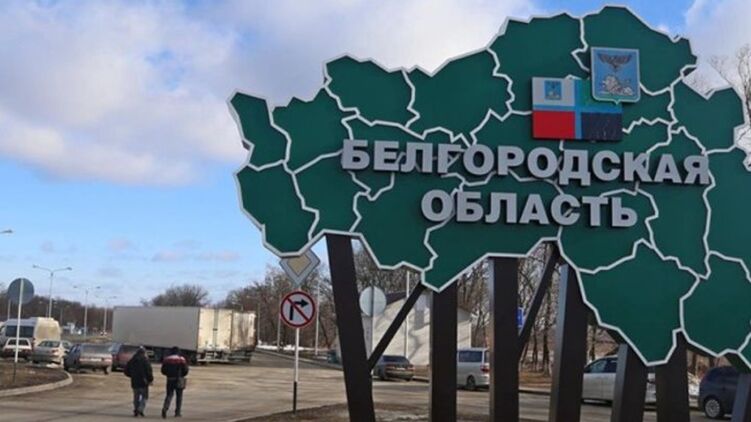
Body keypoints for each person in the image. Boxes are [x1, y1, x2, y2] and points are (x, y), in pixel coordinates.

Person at [124, 346, 153, 417]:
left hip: (134, 381)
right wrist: (150, 379)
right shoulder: (145, 360)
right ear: (144, 353)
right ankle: (140, 409)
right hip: (143, 382)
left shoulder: (132, 360)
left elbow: (126, 371)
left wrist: (132, 375)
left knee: (136, 397)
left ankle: (136, 409)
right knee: (144, 397)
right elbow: (149, 371)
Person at [161, 346, 189, 418]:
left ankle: (165, 408)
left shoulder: (166, 359)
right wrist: (182, 375)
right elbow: (186, 370)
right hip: (179, 379)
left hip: (170, 379)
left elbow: (163, 371)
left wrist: (168, 374)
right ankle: (177, 412)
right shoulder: (181, 359)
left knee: (169, 395)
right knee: (179, 397)